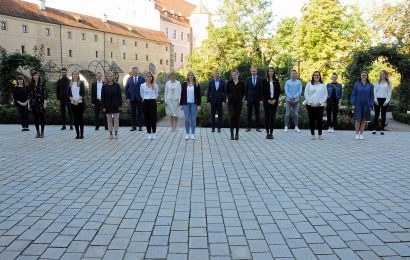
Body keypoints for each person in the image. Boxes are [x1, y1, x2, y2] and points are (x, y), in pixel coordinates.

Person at [304, 71, 328, 140]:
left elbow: (325, 95)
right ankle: (312, 135)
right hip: (310, 105)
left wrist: (320, 103)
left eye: (318, 75)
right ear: (313, 76)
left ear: (320, 76)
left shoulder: (323, 85)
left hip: (320, 106)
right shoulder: (309, 84)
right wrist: (310, 102)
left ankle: (320, 135)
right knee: (311, 120)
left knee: (319, 120)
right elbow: (306, 94)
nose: (316, 76)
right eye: (315, 75)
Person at [351, 71, 374, 140]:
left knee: (364, 120)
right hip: (358, 104)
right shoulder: (357, 84)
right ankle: (357, 134)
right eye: (362, 75)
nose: (363, 76)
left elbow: (372, 96)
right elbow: (353, 95)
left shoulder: (370, 85)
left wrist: (371, 105)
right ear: (360, 76)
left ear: (367, 77)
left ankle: (361, 134)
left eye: (365, 75)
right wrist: (353, 104)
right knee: (358, 119)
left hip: (366, 105)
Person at [180, 71, 201, 140]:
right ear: (187, 76)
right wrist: (181, 104)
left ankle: (192, 134)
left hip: (194, 104)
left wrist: (199, 105)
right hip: (186, 104)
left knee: (193, 119)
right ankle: (187, 133)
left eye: (192, 75)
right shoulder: (184, 84)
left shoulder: (197, 84)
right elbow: (182, 94)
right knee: (187, 120)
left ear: (193, 76)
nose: (191, 76)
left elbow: (199, 96)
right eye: (189, 75)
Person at [102, 71, 122, 139]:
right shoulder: (104, 86)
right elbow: (102, 97)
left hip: (116, 105)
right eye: (109, 76)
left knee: (116, 120)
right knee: (109, 120)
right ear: (106, 77)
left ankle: (116, 134)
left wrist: (120, 105)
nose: (110, 77)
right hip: (107, 106)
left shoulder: (117, 85)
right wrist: (103, 106)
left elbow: (119, 96)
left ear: (113, 77)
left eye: (111, 76)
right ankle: (110, 133)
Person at [262, 67, 281, 139]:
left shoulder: (276, 81)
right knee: (267, 117)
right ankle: (267, 133)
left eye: (272, 71)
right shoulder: (264, 81)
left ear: (274, 72)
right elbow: (263, 92)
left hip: (274, 101)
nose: (271, 72)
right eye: (269, 71)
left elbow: (278, 91)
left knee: (273, 117)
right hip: (267, 101)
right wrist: (267, 100)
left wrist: (275, 99)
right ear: (267, 72)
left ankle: (271, 133)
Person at [28, 71, 48, 138]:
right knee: (36, 119)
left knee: (42, 118)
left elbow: (45, 94)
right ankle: (37, 132)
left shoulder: (42, 84)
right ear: (32, 77)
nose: (35, 76)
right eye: (34, 75)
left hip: (41, 103)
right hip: (34, 104)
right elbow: (29, 96)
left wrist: (45, 103)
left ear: (39, 76)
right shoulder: (30, 84)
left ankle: (42, 132)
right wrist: (28, 104)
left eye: (37, 75)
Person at [125, 67, 145, 131]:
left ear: (138, 71)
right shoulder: (129, 79)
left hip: (140, 99)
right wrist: (127, 98)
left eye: (136, 71)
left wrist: (144, 97)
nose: (135, 72)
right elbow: (126, 89)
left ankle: (140, 127)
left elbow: (145, 88)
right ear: (132, 72)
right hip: (132, 99)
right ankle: (133, 127)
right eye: (134, 71)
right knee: (133, 113)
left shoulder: (142, 79)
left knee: (140, 113)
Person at [226, 68, 244, 140]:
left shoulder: (242, 83)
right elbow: (227, 92)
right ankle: (231, 134)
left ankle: (237, 134)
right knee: (232, 116)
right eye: (233, 75)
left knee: (237, 118)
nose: (234, 76)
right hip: (231, 103)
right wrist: (230, 97)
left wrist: (240, 98)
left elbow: (243, 92)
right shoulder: (229, 83)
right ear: (231, 75)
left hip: (239, 103)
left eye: (235, 74)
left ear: (238, 74)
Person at [372, 70, 392, 135]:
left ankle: (382, 129)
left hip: (385, 100)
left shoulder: (389, 82)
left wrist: (387, 101)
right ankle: (374, 129)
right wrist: (375, 100)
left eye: (383, 74)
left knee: (383, 115)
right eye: (381, 74)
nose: (382, 75)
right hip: (377, 99)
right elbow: (374, 91)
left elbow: (389, 92)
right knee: (376, 115)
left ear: (386, 74)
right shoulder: (377, 82)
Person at [140, 72, 159, 140]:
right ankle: (149, 133)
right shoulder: (142, 85)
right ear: (146, 77)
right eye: (148, 76)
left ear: (152, 77)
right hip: (145, 102)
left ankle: (154, 133)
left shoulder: (155, 85)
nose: (149, 78)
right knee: (147, 118)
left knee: (153, 118)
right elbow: (142, 94)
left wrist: (152, 98)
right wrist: (145, 98)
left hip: (153, 102)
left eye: (150, 76)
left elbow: (156, 94)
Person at [244, 67, 263, 132]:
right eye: (252, 71)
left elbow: (261, 90)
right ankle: (248, 127)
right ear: (251, 72)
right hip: (250, 98)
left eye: (255, 71)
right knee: (249, 113)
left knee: (257, 113)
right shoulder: (248, 79)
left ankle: (258, 127)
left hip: (257, 99)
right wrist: (246, 98)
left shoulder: (260, 79)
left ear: (256, 71)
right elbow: (246, 89)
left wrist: (261, 99)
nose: (254, 72)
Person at [69, 71, 86, 139]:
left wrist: (78, 101)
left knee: (80, 119)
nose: (75, 75)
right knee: (75, 119)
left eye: (76, 74)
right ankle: (77, 134)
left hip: (80, 103)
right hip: (73, 103)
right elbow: (69, 94)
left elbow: (83, 93)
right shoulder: (70, 83)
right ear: (72, 75)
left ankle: (81, 134)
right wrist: (73, 101)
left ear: (78, 75)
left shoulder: (81, 83)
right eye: (74, 74)